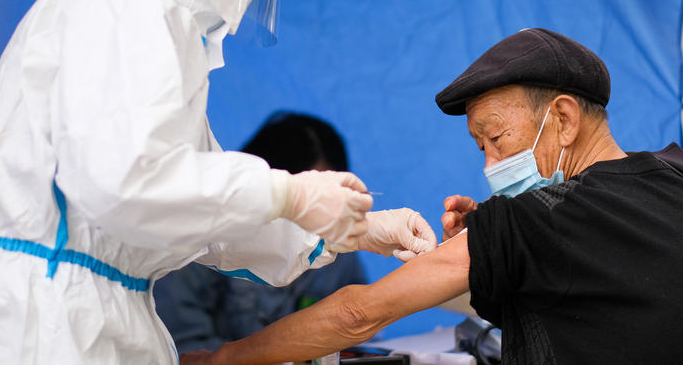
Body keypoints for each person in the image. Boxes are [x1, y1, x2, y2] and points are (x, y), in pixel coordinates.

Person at [0, 0, 437, 363]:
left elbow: (205, 215)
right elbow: (127, 184)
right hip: (52, 325)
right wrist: (292, 195)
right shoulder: (122, 3)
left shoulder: (148, 14)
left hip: (95, 318)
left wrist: (351, 230)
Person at [183, 28, 683, 365]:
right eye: (479, 147)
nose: (490, 164)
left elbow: (359, 314)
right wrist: (486, 256)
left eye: (497, 138)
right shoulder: (672, 171)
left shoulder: (533, 220)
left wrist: (219, 360)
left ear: (564, 119)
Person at [154, 112, 368, 354]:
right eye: (309, 196)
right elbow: (182, 348)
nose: (321, 211)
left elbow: (360, 342)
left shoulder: (338, 251)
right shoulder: (197, 246)